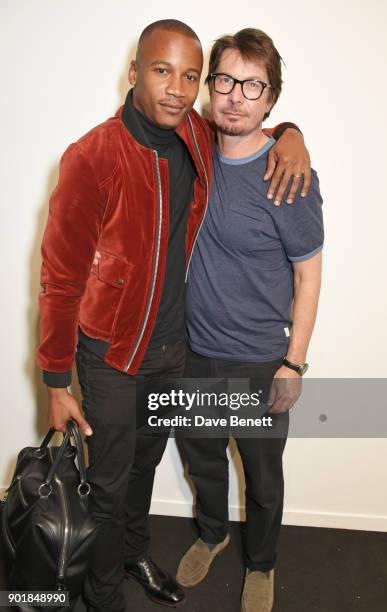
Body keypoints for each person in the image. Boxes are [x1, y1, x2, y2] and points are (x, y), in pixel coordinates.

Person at [37, 19, 312, 612]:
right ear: (134, 74)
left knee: (142, 471)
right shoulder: (93, 156)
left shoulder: (194, 133)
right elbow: (59, 282)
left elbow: (255, 123)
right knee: (107, 488)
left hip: (173, 352)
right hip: (112, 358)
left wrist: (293, 134)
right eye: (163, 71)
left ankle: (134, 553)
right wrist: (57, 380)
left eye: (190, 77)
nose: (177, 89)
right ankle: (102, 597)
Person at [176, 28, 324, 612]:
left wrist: (294, 363)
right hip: (191, 352)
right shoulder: (193, 148)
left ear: (271, 96)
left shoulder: (290, 179)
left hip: (261, 360)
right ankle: (212, 534)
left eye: (253, 85)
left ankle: (261, 562)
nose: (237, 96)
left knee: (263, 480)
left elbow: (309, 276)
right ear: (211, 87)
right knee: (202, 458)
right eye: (226, 81)